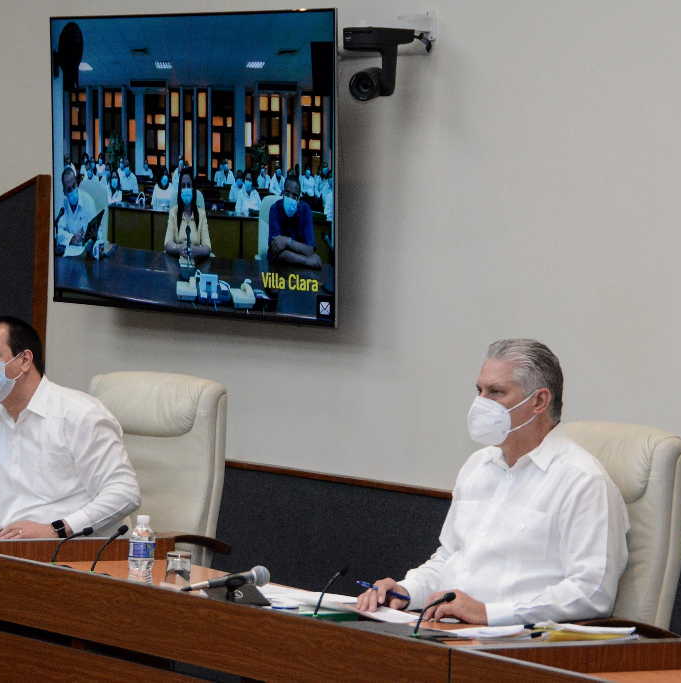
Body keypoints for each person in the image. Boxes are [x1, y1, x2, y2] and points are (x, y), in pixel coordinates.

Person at [356, 339, 629, 626]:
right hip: (446, 629)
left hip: (518, 644)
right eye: (479, 391)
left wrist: (489, 613)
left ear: (538, 401)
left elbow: (592, 592)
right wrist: (406, 591)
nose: (481, 403)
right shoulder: (478, 466)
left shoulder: (583, 481)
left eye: (496, 392)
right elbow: (451, 558)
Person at [0, 316, 141, 539]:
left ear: (24, 360)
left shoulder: (79, 413)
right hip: (12, 548)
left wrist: (55, 529)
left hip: (79, 550)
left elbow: (125, 493)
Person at [267, 176, 321, 269]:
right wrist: (307, 260)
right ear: (283, 193)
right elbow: (275, 250)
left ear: (299, 198)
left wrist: (287, 242)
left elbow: (310, 249)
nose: (290, 198)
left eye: (294, 196)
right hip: (278, 268)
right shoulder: (275, 208)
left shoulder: (305, 210)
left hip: (302, 270)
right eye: (287, 193)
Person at [163, 166, 211, 259]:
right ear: (180, 190)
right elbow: (167, 243)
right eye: (183, 186)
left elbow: (207, 247)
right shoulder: (173, 212)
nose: (186, 189)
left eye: (189, 185)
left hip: (197, 262)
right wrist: (179, 248)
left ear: (193, 189)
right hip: (177, 260)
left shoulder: (201, 214)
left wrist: (195, 250)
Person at [53, 166, 96, 255]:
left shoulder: (88, 201)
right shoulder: (64, 204)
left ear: (77, 183)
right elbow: (59, 232)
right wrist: (72, 238)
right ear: (64, 192)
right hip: (70, 253)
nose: (72, 190)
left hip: (86, 254)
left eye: (74, 186)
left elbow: (97, 232)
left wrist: (87, 238)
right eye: (69, 189)